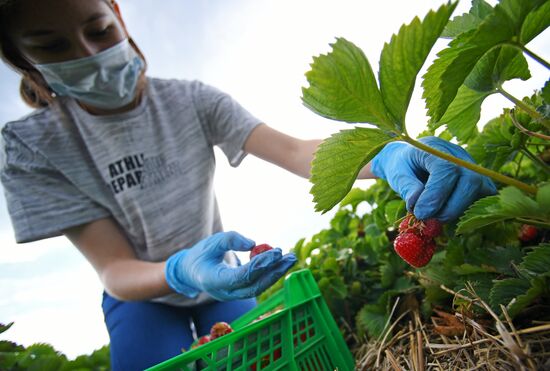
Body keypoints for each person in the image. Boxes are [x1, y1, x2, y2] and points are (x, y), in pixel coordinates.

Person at [0, 0, 496, 370]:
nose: (86, 53)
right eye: (51, 46)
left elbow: (297, 153)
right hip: (139, 296)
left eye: (99, 30)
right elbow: (113, 268)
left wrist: (387, 150)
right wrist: (178, 270)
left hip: (225, 280)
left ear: (119, 16)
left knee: (263, 358)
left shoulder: (192, 101)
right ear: (20, 58)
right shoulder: (32, 147)